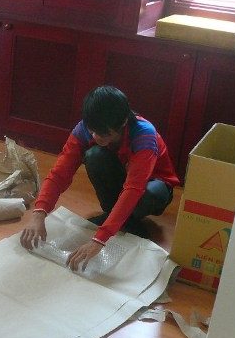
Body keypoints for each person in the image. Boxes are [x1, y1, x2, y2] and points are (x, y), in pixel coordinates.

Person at [20, 86, 180, 271]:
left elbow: (133, 189)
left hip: (153, 185)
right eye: (92, 131)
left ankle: (128, 221)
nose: (96, 137)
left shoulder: (144, 135)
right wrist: (39, 213)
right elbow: (59, 174)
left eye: (105, 134)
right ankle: (117, 217)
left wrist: (99, 239)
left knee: (152, 194)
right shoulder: (85, 129)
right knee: (94, 155)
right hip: (122, 178)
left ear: (122, 123)